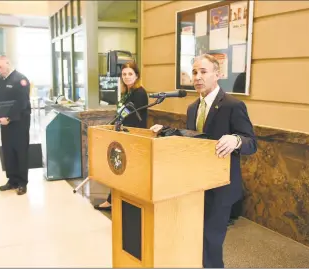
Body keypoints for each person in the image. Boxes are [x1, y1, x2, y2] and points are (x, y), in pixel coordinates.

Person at [150, 54, 257, 268]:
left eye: (203, 72)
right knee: (193, 239)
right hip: (194, 185)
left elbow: (251, 142)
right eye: (195, 72)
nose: (197, 77)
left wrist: (236, 140)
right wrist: (166, 131)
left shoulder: (232, 105)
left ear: (217, 75)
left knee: (211, 242)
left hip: (220, 187)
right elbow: (193, 137)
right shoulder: (192, 107)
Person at [94, 61, 148, 210]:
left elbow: (134, 118)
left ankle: (118, 201)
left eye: (130, 74)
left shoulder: (140, 93)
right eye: (124, 74)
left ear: (137, 75)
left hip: (133, 137)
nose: (127, 77)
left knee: (124, 170)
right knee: (118, 169)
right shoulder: (126, 93)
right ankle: (114, 200)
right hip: (122, 135)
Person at [0, 55, 31, 195]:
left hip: (19, 122)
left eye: (0, 67)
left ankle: (22, 182)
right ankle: (12, 180)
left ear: (8, 63)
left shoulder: (20, 79)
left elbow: (22, 103)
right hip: (4, 123)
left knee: (20, 150)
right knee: (8, 150)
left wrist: (9, 117)